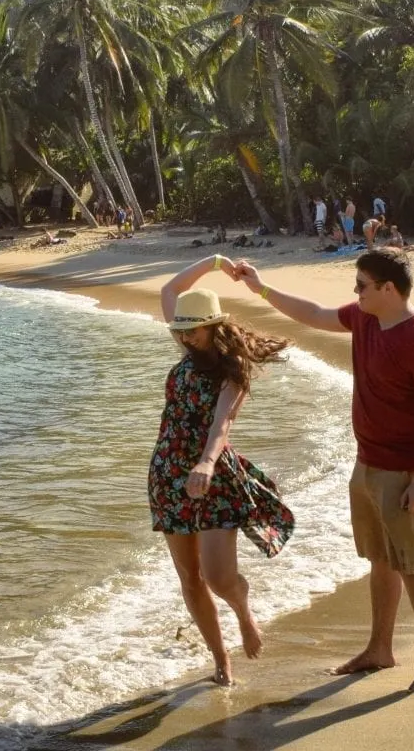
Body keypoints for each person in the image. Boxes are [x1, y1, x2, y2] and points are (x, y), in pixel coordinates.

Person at [232, 248, 414, 693]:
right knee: (380, 561)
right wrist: (259, 287)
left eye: (362, 285)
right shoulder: (367, 317)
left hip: (405, 472)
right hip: (367, 462)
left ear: (388, 289)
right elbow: (313, 313)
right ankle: (379, 649)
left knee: (413, 565)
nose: (355, 292)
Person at [149, 254, 294, 686]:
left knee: (217, 577)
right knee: (190, 580)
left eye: (191, 329)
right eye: (180, 329)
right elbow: (168, 291)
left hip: (212, 476)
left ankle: (242, 608)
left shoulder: (234, 370)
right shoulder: (186, 343)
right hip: (168, 473)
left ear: (212, 327)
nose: (184, 336)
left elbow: (222, 423)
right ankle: (220, 661)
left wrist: (207, 464)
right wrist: (212, 262)